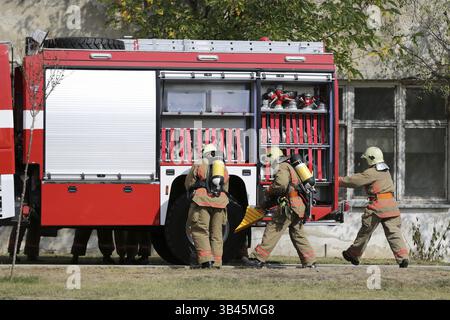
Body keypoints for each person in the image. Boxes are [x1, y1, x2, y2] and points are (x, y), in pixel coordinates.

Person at [243, 147, 317, 268]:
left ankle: (258, 259)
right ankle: (310, 261)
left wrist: (269, 189)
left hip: (288, 206)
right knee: (298, 233)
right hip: (298, 206)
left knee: (273, 229)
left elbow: (281, 184)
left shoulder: (282, 166)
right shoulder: (292, 167)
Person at [339, 146, 409, 268]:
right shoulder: (385, 171)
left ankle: (353, 255)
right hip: (391, 206)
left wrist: (338, 180)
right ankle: (403, 258)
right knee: (394, 233)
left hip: (377, 207)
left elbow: (354, 181)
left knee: (365, 232)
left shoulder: (371, 172)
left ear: (371, 159)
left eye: (367, 159)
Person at [185, 144, 229, 269]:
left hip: (202, 202)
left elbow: (189, 182)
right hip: (220, 203)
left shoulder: (199, 163)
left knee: (200, 231)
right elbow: (225, 187)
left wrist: (191, 191)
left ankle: (206, 261)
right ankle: (217, 262)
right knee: (217, 233)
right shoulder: (221, 166)